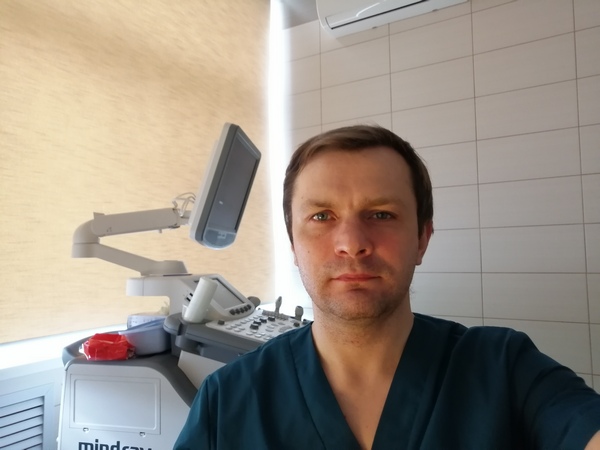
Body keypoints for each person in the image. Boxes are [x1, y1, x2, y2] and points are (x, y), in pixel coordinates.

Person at [174, 125, 600, 449]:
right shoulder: (227, 401)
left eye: (381, 214)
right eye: (321, 216)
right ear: (293, 245)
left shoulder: (505, 369)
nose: (352, 243)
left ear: (422, 239)